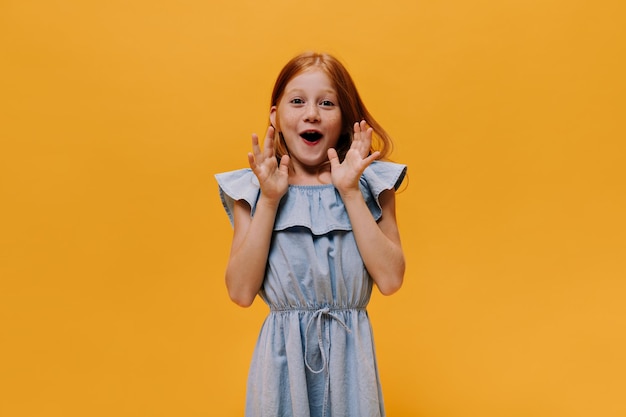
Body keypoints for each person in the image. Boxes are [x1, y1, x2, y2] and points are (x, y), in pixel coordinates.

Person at [215, 51, 407, 417]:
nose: (312, 113)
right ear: (276, 115)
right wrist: (270, 200)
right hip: (281, 368)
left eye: (327, 103)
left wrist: (350, 192)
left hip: (352, 366)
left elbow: (391, 278)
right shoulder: (252, 190)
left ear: (345, 118)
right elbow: (240, 292)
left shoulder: (372, 184)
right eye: (298, 101)